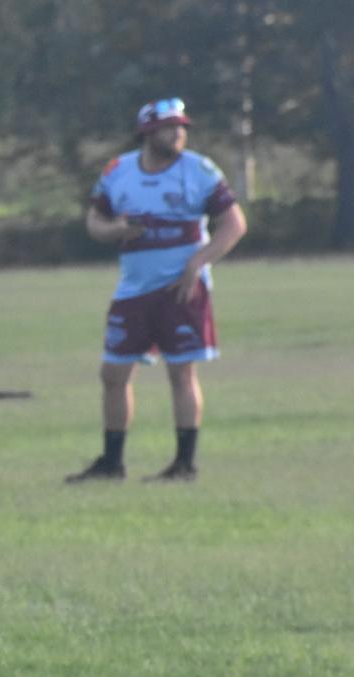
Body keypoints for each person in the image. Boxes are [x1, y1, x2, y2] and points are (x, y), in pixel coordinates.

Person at [65, 97, 247, 483]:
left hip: (180, 292)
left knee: (181, 375)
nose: (178, 133)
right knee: (112, 374)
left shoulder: (199, 170)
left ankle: (184, 464)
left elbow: (234, 225)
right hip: (133, 291)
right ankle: (112, 464)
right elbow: (95, 221)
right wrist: (115, 231)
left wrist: (199, 262)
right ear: (147, 132)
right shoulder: (119, 171)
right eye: (169, 127)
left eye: (182, 126)